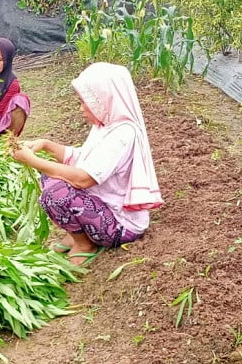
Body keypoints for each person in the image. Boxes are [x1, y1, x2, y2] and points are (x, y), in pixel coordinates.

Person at [11, 62, 162, 265]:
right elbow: (82, 157)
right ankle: (77, 235)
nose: (81, 108)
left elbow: (84, 178)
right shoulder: (105, 125)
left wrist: (33, 161)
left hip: (120, 225)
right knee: (49, 178)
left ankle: (85, 244)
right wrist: (45, 145)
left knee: (57, 192)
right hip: (102, 206)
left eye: (84, 102)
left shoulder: (122, 134)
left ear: (103, 101)